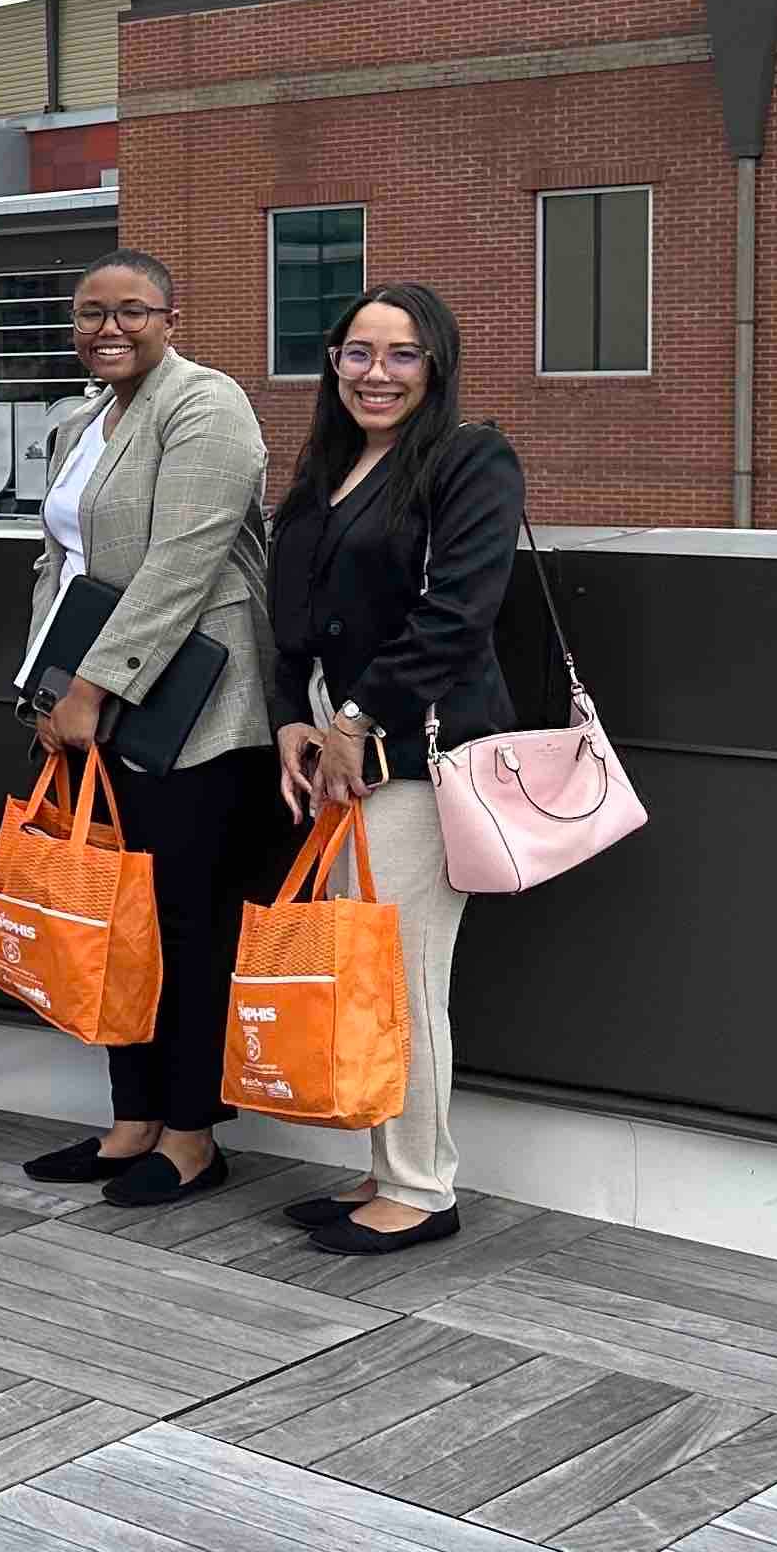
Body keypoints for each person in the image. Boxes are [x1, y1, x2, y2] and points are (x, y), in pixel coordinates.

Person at [11, 252, 283, 1206]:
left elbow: (184, 561)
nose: (109, 329)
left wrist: (91, 688)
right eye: (91, 313)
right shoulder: (82, 420)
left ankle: (193, 1135)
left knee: (186, 923)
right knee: (116, 918)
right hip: (91, 707)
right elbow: (60, 566)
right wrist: (45, 690)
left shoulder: (207, 404)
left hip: (193, 710)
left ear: (172, 317)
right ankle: (133, 1121)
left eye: (132, 311)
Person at [270, 283, 523, 1255]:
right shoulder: (325, 469)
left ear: (436, 365)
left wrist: (355, 715)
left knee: (404, 979)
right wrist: (293, 721)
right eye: (360, 352)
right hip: (337, 767)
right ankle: (385, 1171)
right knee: (363, 975)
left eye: (403, 354)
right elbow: (290, 620)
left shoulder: (469, 459)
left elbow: (458, 613)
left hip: (417, 764)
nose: (378, 373)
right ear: (333, 362)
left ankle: (422, 1189)